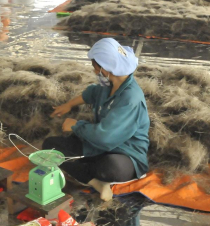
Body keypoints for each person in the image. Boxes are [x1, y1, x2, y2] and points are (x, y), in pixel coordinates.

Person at [44, 38, 150, 201]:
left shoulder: (130, 98)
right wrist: (68, 105)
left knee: (108, 168)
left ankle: (92, 173)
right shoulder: (108, 85)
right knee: (50, 147)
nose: (95, 73)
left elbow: (105, 137)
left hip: (125, 153)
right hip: (97, 146)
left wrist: (76, 126)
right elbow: (90, 93)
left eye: (96, 68)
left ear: (107, 68)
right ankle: (96, 183)